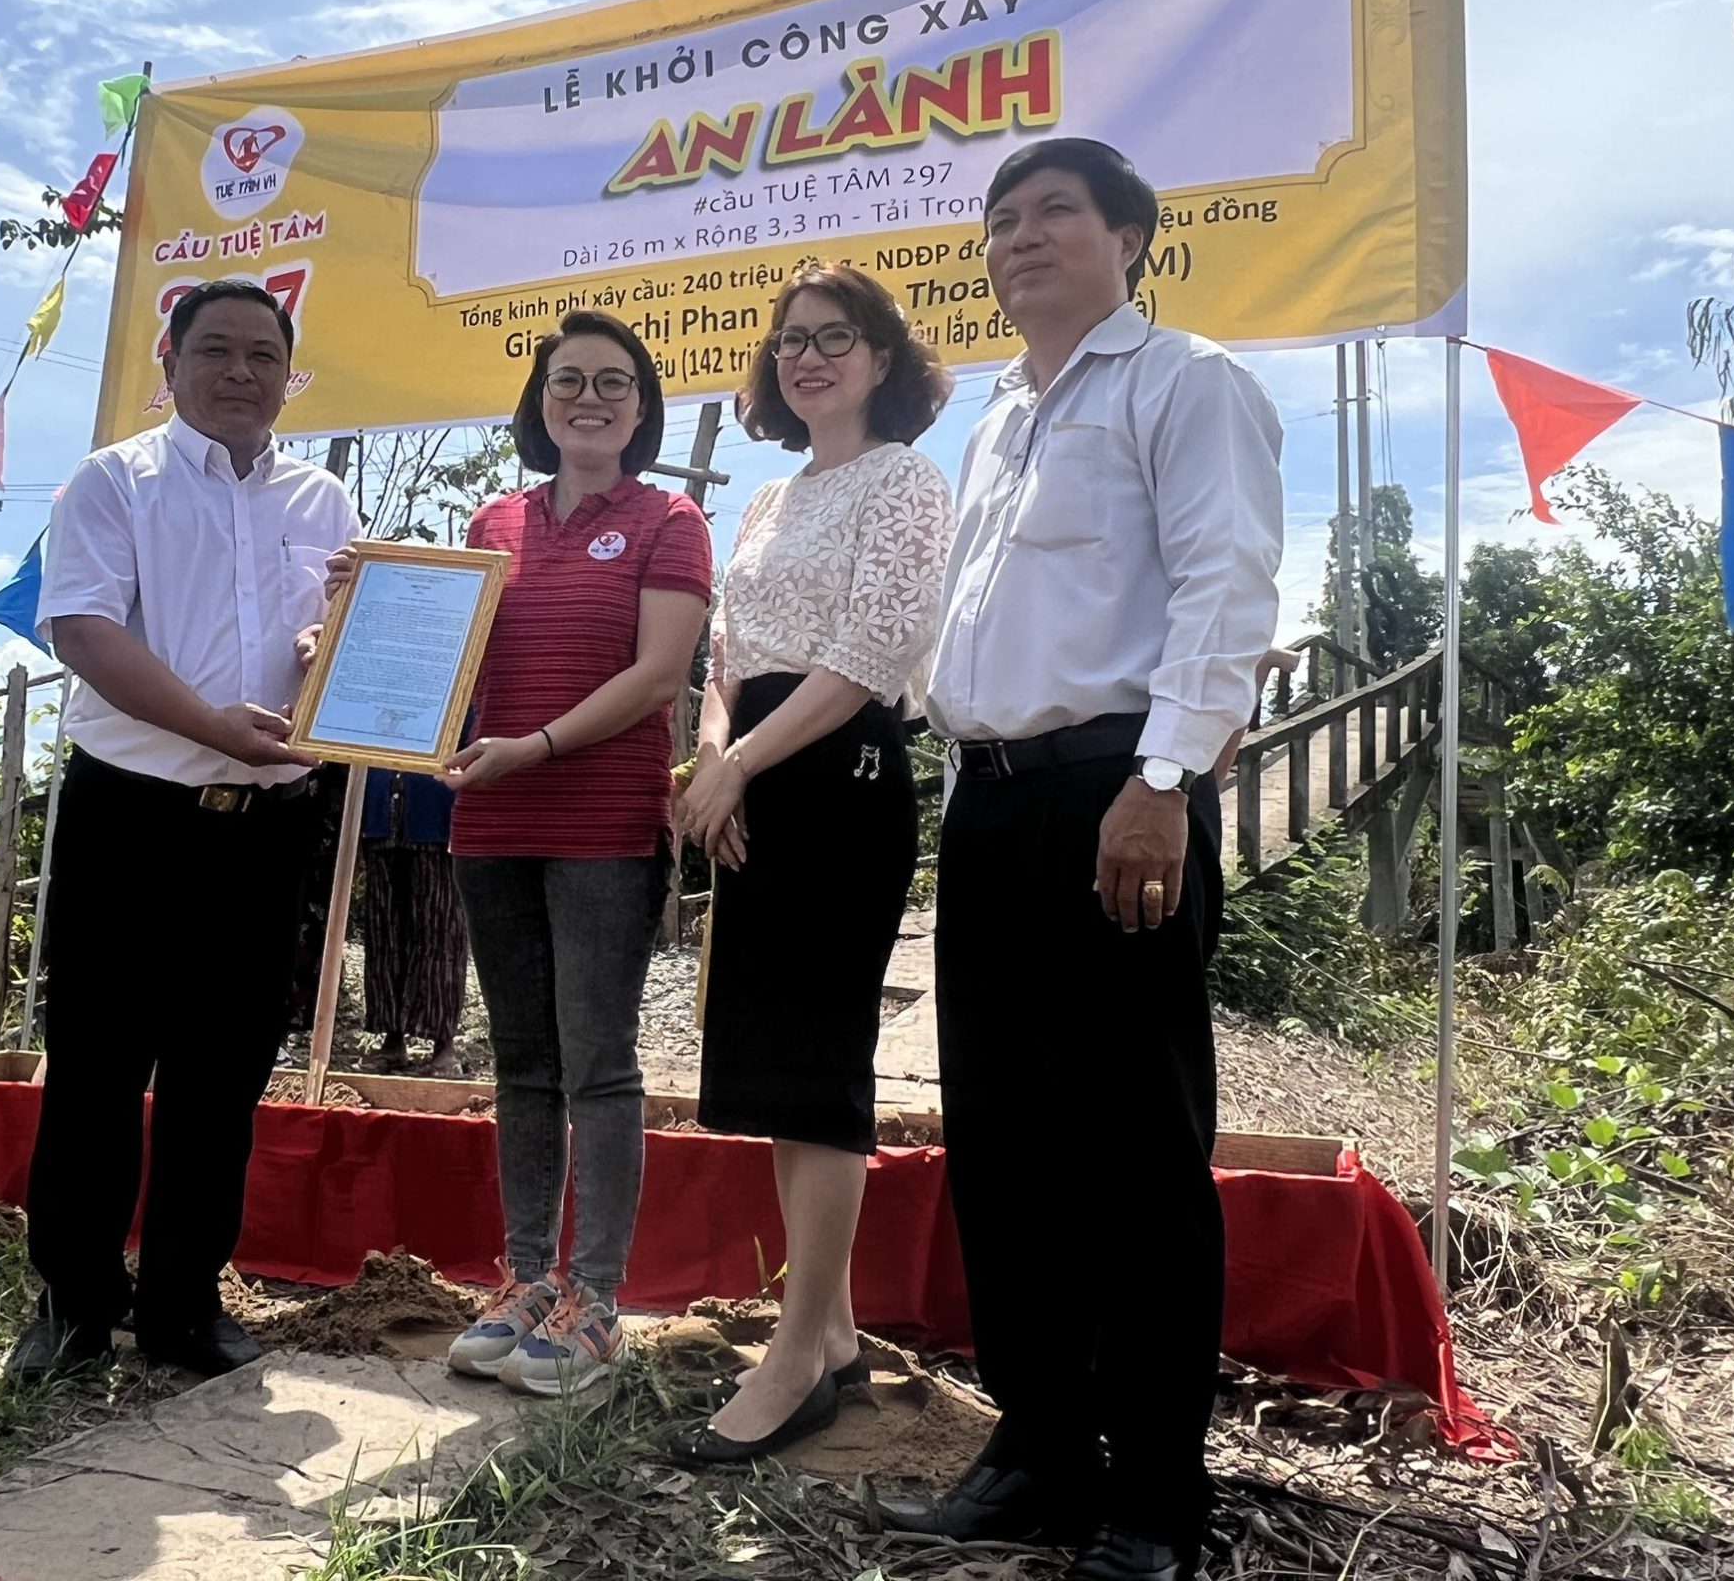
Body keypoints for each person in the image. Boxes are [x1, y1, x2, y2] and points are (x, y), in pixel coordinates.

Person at [883, 138, 1282, 1581]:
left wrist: (1165, 778)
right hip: (990, 808)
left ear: (1130, 240)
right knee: (1003, 1145)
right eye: (1001, 221)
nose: (1020, 239)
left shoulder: (1188, 382)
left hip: (1121, 793)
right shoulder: (995, 419)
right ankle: (1040, 1448)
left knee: (1136, 1152)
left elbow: (1227, 582)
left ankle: (1156, 1497)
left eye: (1055, 211)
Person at [8, 275, 359, 1384]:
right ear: (170, 363)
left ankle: (182, 1303)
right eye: (216, 350)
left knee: (224, 1072)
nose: (240, 372)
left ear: (289, 375)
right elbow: (82, 630)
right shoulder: (114, 482)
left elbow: (330, 644)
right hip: (133, 811)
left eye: (264, 355)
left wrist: (330, 656)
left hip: (269, 827)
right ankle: (73, 1302)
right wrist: (214, 726)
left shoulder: (325, 504)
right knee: (97, 1064)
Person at [669, 262, 954, 1465]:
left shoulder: (906, 481)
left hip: (840, 775)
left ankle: (793, 1358)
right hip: (752, 776)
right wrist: (713, 761)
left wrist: (741, 764)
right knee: (774, 1069)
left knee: (820, 1062)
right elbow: (726, 659)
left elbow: (869, 652)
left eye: (835, 337)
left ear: (883, 359)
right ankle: (827, 1333)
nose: (808, 357)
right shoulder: (767, 501)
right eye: (790, 340)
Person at [436, 309, 712, 1396]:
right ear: (539, 403)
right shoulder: (491, 520)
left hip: (602, 827)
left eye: (612, 382)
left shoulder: (669, 520)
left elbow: (658, 678)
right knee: (521, 1062)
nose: (588, 399)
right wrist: (352, 625)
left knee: (597, 1063)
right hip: (490, 824)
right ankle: (524, 1280)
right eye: (567, 381)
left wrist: (537, 746)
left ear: (641, 410)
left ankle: (595, 1298)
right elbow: (450, 657)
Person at [358, 767, 467, 1074]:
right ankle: (392, 1039)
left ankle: (443, 1044)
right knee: (384, 932)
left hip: (436, 811)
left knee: (441, 929)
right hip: (380, 814)